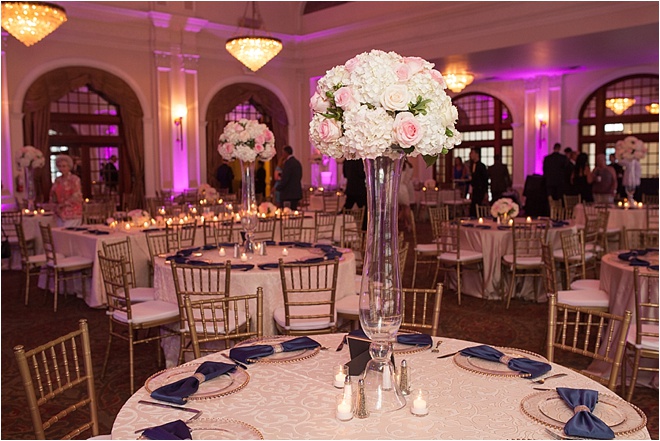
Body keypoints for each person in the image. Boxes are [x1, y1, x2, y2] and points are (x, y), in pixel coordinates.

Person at [50, 155, 83, 228]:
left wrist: (63, 204)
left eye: (64, 166)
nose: (62, 168)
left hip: (72, 213)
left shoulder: (74, 179)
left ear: (69, 167)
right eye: (60, 166)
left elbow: (76, 196)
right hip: (59, 213)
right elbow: (53, 195)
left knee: (68, 235)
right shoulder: (57, 180)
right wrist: (55, 206)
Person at [278, 145, 303, 210]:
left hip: (288, 194)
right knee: (294, 213)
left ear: (286, 153)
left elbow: (285, 178)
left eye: (283, 153)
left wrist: (278, 188)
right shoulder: (297, 162)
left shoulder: (288, 163)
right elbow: (299, 176)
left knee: (286, 213)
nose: (282, 154)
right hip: (296, 192)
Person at [468, 148, 488, 217]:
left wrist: (486, 192)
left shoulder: (482, 166)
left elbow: (485, 180)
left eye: (472, 153)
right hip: (475, 189)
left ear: (477, 154)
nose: (470, 155)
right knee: (473, 207)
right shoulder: (472, 165)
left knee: (478, 206)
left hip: (480, 189)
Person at [397, 158, 415, 232]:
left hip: (396, 188)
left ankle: (398, 224)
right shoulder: (408, 166)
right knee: (406, 207)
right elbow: (407, 179)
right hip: (403, 188)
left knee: (398, 208)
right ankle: (410, 224)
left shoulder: (396, 164)